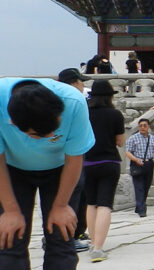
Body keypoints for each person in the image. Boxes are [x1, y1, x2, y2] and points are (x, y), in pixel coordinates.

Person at [0, 78, 94, 270]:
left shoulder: (73, 102)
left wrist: (60, 205)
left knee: (61, 238)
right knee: (11, 239)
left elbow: (75, 157)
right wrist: (10, 211)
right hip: (11, 169)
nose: (50, 138)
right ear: (14, 124)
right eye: (41, 135)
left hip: (61, 169)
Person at [83, 80, 125, 262]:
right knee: (105, 204)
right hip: (109, 161)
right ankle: (98, 248)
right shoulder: (115, 114)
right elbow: (120, 141)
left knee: (91, 203)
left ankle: (93, 242)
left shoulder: (84, 113)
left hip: (88, 162)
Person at [56, 68, 92, 252]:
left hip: (55, 154)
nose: (82, 85)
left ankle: (57, 237)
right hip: (70, 153)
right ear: (73, 83)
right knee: (73, 193)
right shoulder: (73, 101)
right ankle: (67, 238)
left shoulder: (55, 98)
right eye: (80, 82)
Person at [126, 118, 154, 218]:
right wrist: (136, 159)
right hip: (137, 164)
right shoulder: (133, 138)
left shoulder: (152, 138)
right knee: (139, 187)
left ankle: (139, 205)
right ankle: (142, 209)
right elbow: (128, 152)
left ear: (148, 127)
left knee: (146, 186)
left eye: (144, 125)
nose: (142, 127)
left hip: (149, 163)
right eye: (140, 125)